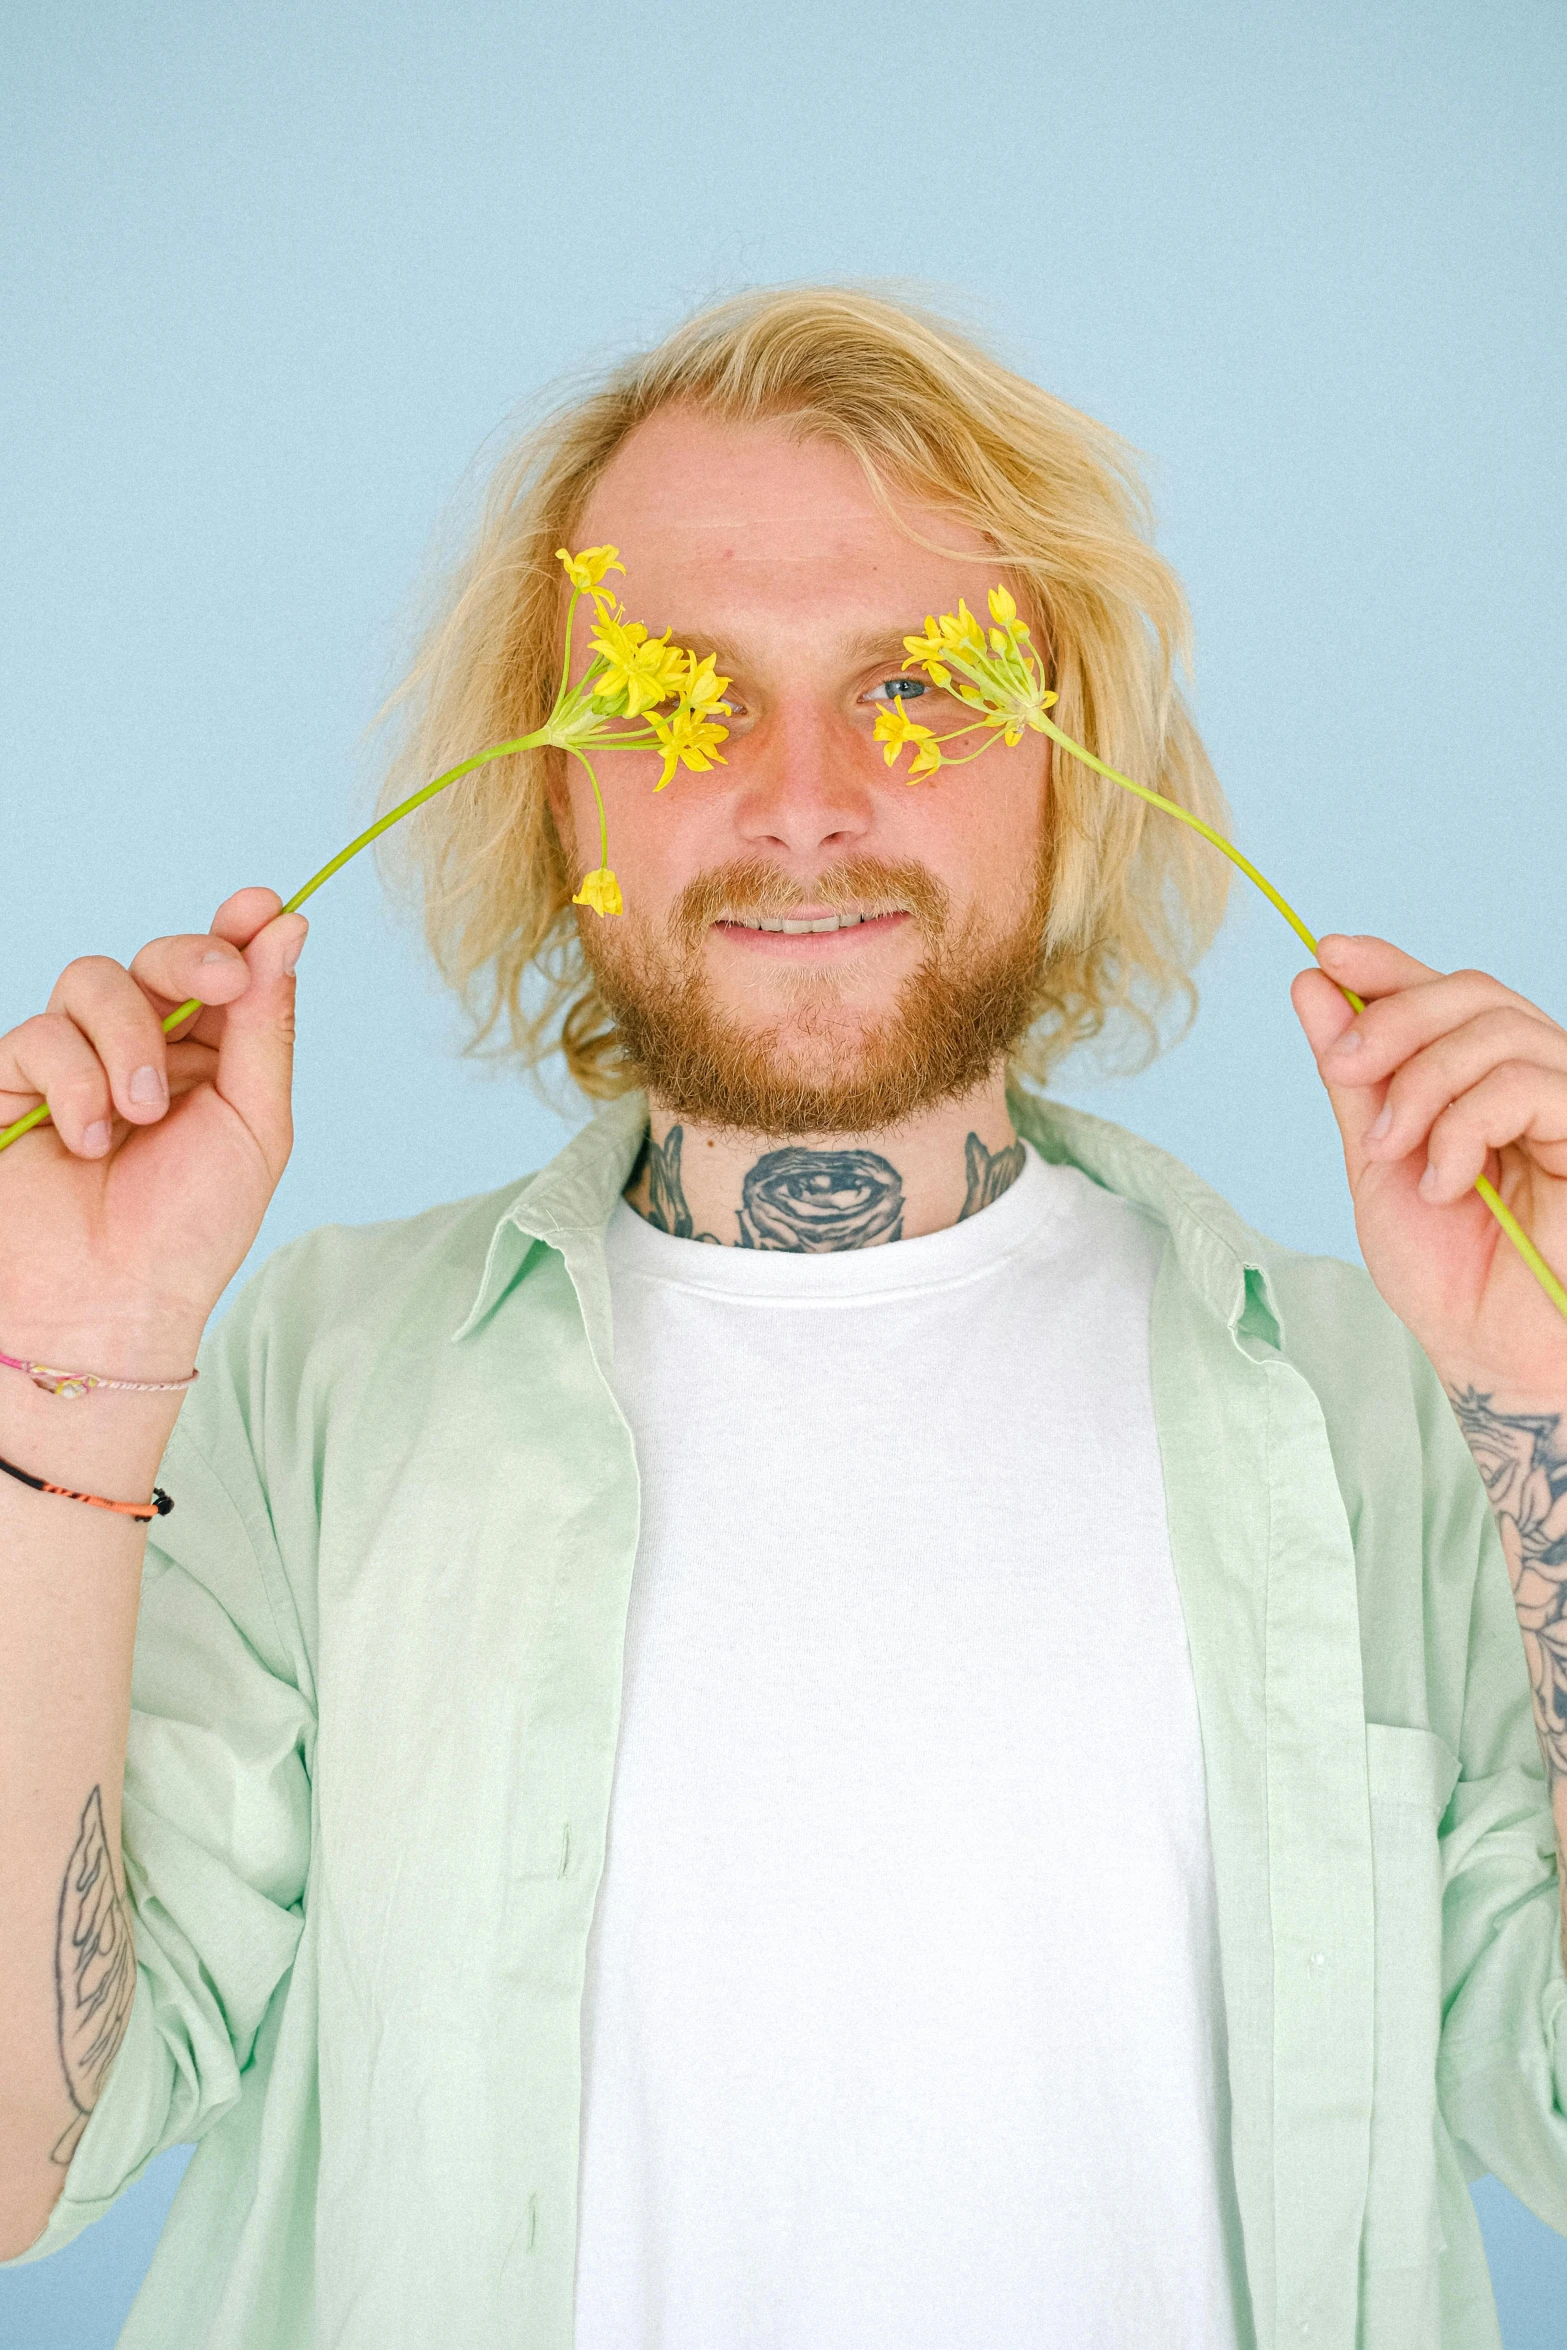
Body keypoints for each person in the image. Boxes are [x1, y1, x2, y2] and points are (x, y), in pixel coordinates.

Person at [1, 287, 1565, 2350]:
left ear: (1065, 773)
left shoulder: (1387, 1407)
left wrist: (1551, 1400)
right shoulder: (310, 1384)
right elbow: (30, 2159)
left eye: (920, 685)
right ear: (559, 798)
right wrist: (75, 1373)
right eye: (673, 700)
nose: (805, 797)